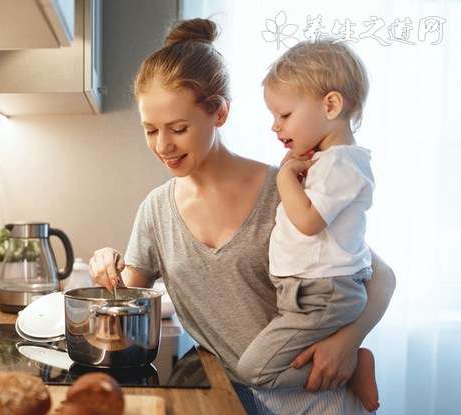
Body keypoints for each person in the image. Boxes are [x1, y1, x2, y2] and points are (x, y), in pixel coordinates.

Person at [89, 18, 396, 414]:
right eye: (150, 130)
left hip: (320, 397)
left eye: (178, 128)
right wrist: (105, 265)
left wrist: (349, 343)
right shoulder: (155, 211)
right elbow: (127, 298)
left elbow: (380, 276)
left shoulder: (285, 188)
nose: (163, 145)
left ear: (219, 112)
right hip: (235, 399)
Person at [233, 39, 379, 412]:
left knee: (253, 371)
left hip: (323, 293)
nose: (274, 126)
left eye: (284, 115)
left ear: (330, 105)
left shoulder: (342, 164)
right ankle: (349, 365)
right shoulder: (327, 162)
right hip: (306, 293)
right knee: (259, 366)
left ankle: (349, 370)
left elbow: (309, 222)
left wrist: (284, 179)